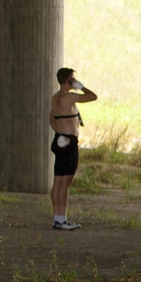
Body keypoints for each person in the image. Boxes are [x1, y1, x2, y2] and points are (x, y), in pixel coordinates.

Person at [48, 68, 97, 231]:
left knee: (58, 180)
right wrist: (80, 87)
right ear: (68, 80)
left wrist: (60, 133)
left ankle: (57, 218)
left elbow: (52, 120)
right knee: (66, 182)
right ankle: (62, 219)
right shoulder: (69, 97)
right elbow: (92, 96)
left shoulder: (55, 98)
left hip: (60, 140)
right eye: (72, 79)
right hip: (69, 143)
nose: (74, 81)